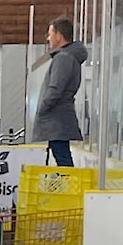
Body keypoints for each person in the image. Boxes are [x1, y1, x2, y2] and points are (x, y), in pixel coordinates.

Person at [33, 16, 88, 167]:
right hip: (60, 119)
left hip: (57, 120)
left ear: (59, 35)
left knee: (63, 160)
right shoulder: (68, 57)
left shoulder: (63, 58)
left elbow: (55, 89)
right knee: (62, 157)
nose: (48, 38)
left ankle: (69, 189)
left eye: (50, 33)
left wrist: (43, 109)